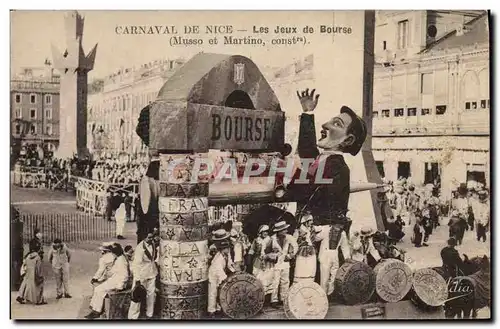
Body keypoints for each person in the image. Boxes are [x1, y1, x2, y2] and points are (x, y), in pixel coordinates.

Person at [287, 89, 367, 257]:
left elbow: (307, 191)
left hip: (323, 239)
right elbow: (306, 149)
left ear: (348, 140)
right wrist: (307, 112)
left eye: (336, 124)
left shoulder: (339, 169)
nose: (325, 125)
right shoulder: (321, 159)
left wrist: (291, 170)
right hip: (309, 233)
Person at [85, 244, 131, 319]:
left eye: (112, 253)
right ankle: (94, 308)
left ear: (115, 253)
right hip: (115, 279)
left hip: (118, 282)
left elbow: (125, 275)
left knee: (100, 290)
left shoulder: (122, 261)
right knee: (98, 289)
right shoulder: (120, 258)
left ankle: (97, 311)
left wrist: (120, 286)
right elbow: (114, 271)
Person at [128, 233, 158, 319]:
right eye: (149, 237)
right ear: (144, 237)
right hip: (141, 275)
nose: (151, 239)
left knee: (151, 295)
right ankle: (132, 317)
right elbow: (136, 265)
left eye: (151, 237)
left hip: (151, 272)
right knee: (136, 296)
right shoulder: (140, 248)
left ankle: (149, 314)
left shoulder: (152, 244)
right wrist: (137, 279)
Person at [268, 221, 298, 308]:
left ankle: (283, 299)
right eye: (284, 230)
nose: (286, 231)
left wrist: (290, 255)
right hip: (276, 264)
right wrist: (273, 254)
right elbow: (266, 251)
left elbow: (295, 246)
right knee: (275, 282)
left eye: (285, 229)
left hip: (285, 263)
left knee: (285, 281)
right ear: (279, 231)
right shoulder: (272, 239)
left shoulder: (289, 237)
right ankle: (274, 300)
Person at [207, 239, 234, 318]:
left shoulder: (227, 254)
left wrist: (234, 271)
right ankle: (211, 311)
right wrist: (225, 278)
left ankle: (218, 309)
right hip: (213, 275)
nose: (228, 249)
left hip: (220, 273)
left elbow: (229, 264)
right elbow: (218, 270)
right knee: (213, 293)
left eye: (228, 248)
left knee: (219, 292)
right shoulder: (218, 258)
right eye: (226, 248)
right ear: (222, 249)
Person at [248, 225, 274, 296]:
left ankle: (266, 296)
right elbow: (252, 250)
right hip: (258, 261)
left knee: (267, 278)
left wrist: (269, 255)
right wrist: (249, 259)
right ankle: (258, 295)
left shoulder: (270, 240)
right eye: (264, 232)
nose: (265, 233)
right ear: (261, 232)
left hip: (267, 262)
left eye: (266, 232)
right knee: (258, 277)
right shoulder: (256, 240)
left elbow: (274, 250)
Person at [293, 214, 316, 283]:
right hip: (301, 253)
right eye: (310, 221)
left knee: (310, 269)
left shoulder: (312, 230)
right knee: (301, 270)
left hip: (311, 253)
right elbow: (294, 243)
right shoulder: (298, 231)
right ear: (305, 222)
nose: (312, 222)